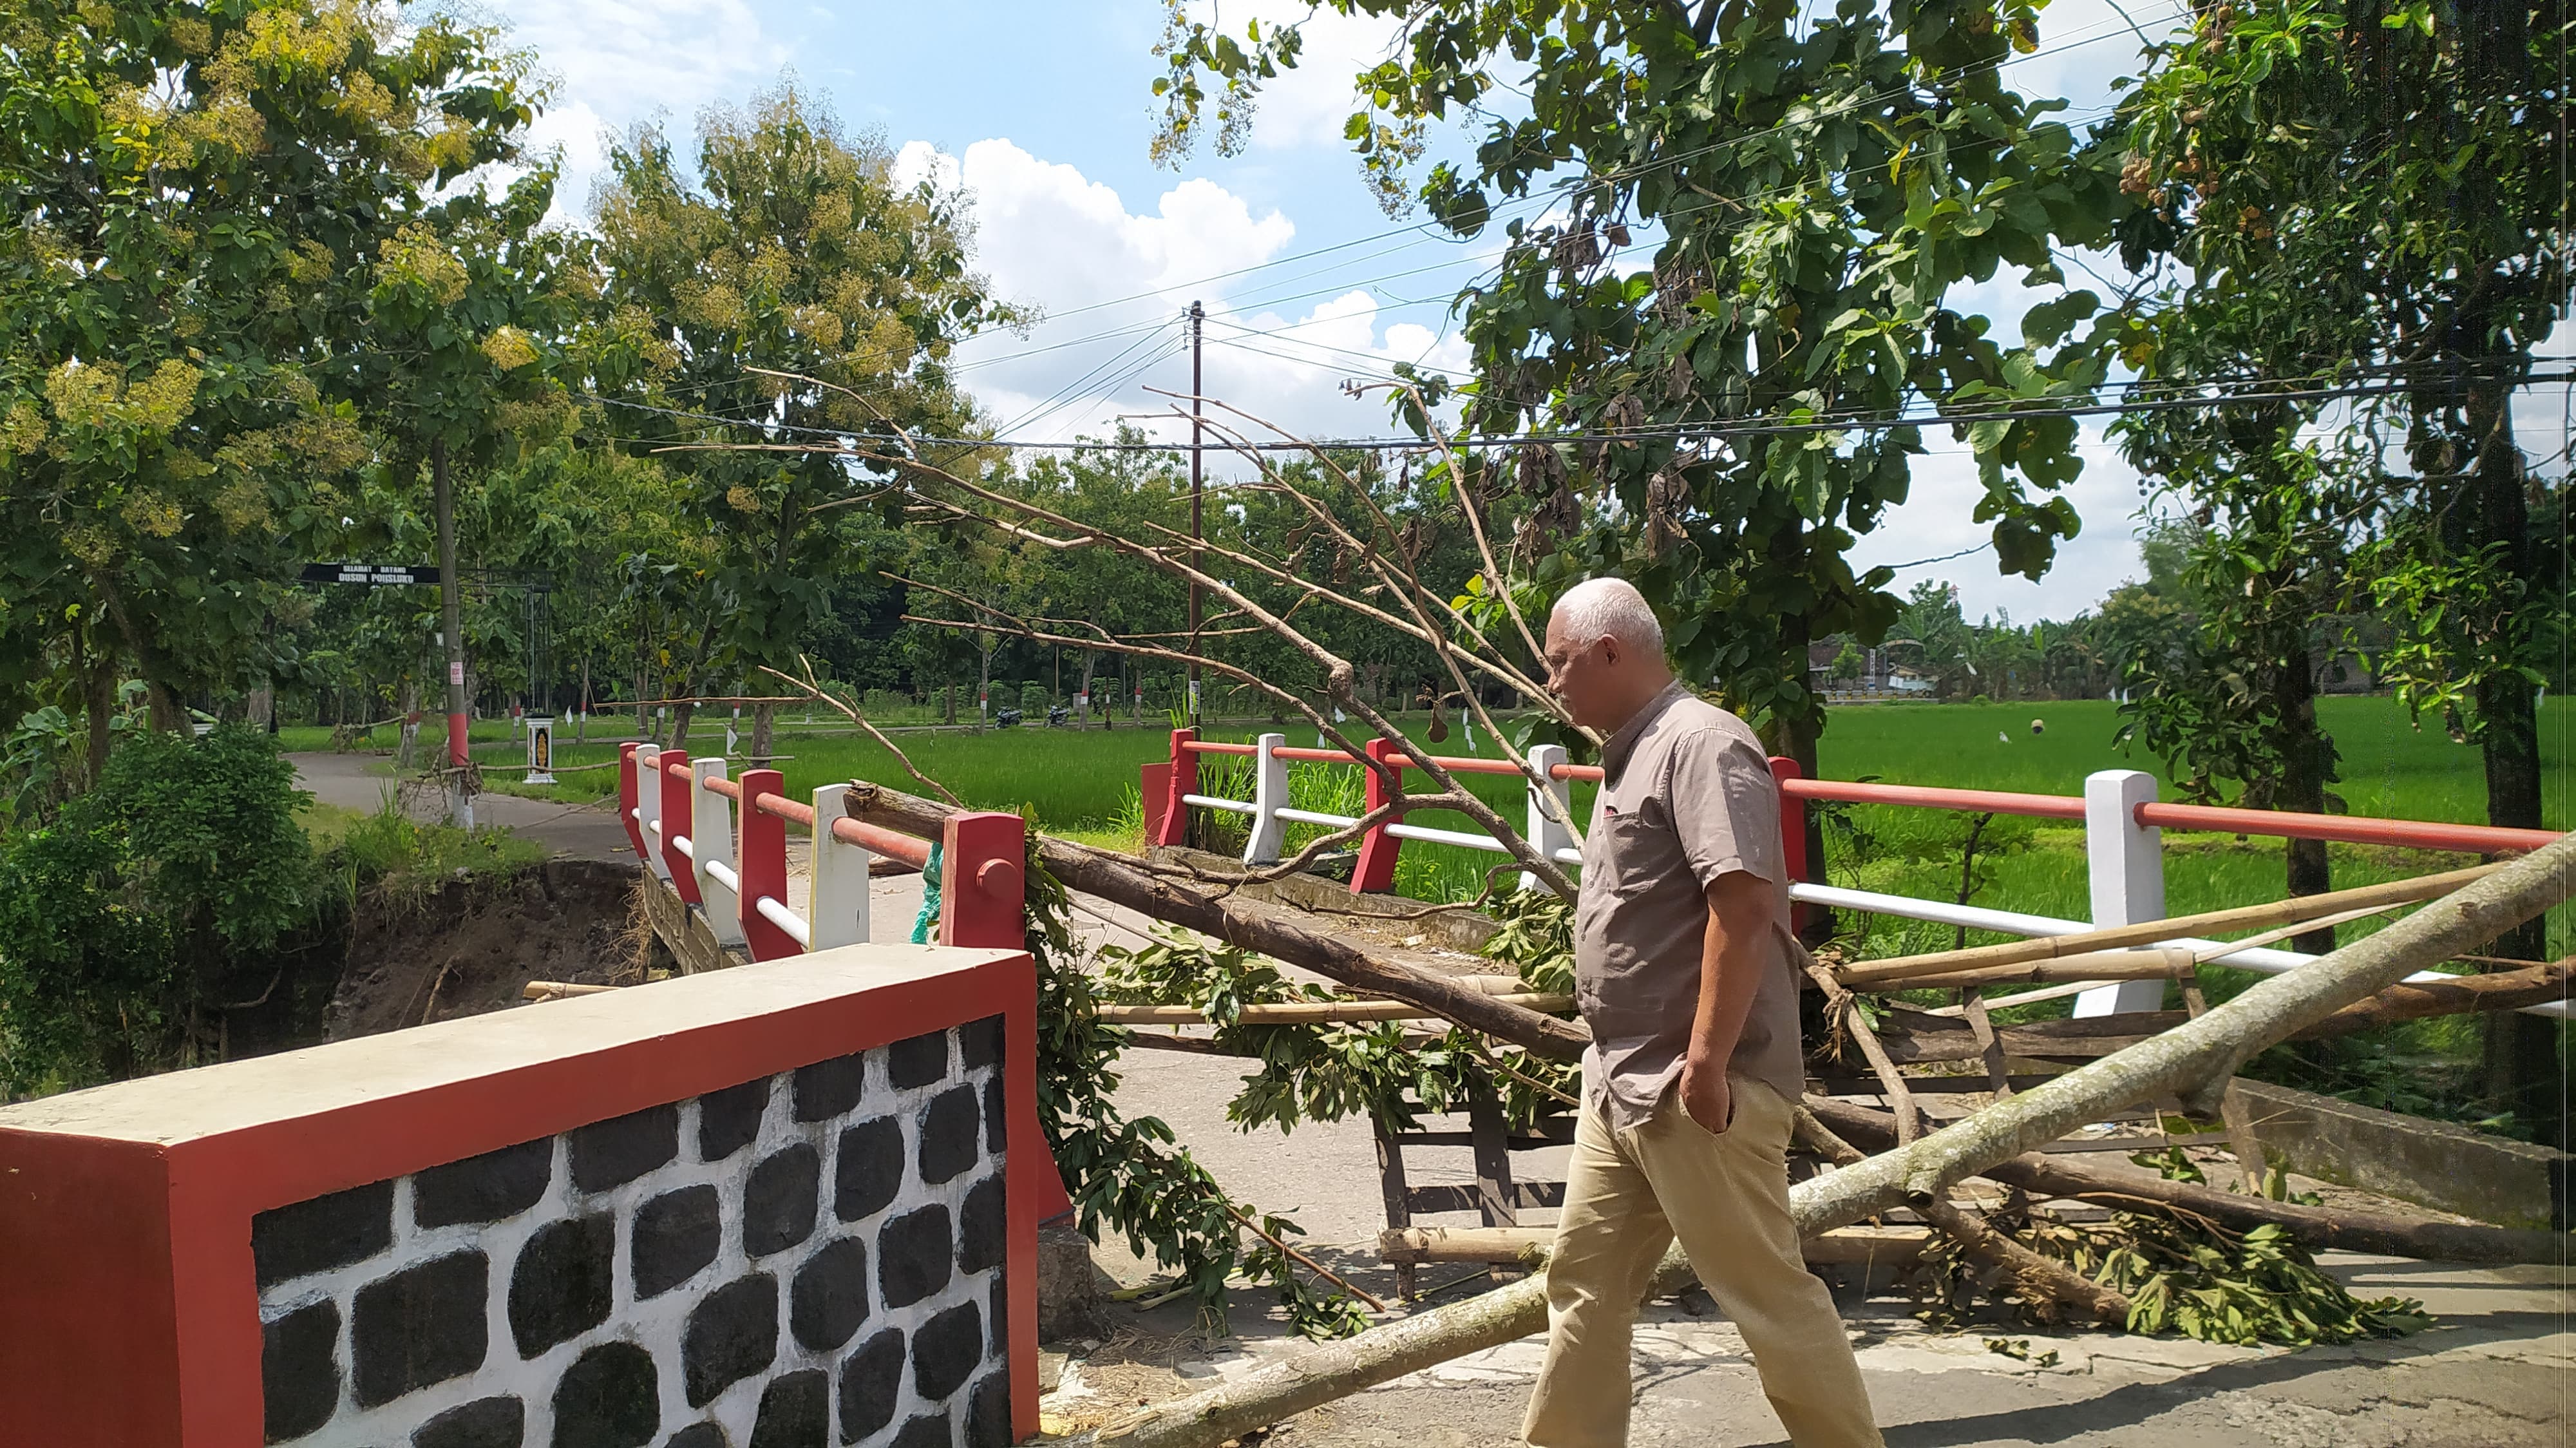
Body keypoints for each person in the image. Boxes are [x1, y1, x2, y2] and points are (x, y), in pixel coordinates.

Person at [1524, 577, 1882, 1448]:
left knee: (1765, 1295)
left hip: (1694, 1089)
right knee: (1585, 1282)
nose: (1553, 684)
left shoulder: (1704, 745)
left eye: (1562, 664)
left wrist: (1710, 1066)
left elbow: (1742, 905)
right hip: (1621, 1082)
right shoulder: (1634, 748)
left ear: (1612, 652)